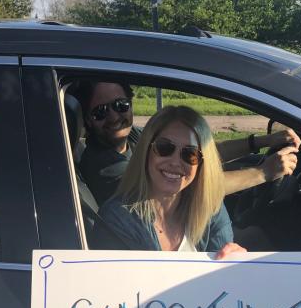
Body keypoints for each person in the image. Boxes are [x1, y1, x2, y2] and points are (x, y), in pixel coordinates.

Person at [74, 80, 300, 205]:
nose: (114, 117)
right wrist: (263, 173)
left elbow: (200, 153)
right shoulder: (103, 165)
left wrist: (260, 141)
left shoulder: (134, 136)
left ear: (131, 103)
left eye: (121, 105)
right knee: (260, 234)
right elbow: (191, 188)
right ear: (87, 120)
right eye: (100, 112)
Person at [98, 105, 246, 258]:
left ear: (202, 164)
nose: (175, 162)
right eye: (164, 148)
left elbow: (220, 275)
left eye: (190, 154)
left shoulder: (210, 208)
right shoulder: (117, 218)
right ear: (146, 152)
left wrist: (234, 261)